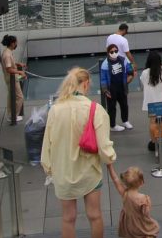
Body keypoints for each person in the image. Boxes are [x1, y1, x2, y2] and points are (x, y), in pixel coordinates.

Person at [41, 67, 117, 238]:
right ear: (86, 83)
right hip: (89, 171)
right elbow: (104, 147)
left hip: (63, 172)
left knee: (68, 218)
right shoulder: (95, 109)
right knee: (95, 215)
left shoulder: (55, 110)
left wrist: (49, 169)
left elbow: (47, 144)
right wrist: (110, 160)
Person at [141, 51, 162, 152]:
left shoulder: (145, 73)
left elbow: (143, 83)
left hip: (151, 102)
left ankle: (153, 142)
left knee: (152, 122)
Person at [113, 166, 160, 238]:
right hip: (140, 227)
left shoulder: (125, 193)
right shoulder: (143, 199)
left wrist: (110, 166)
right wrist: (148, 204)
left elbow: (115, 180)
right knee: (151, 229)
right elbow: (146, 214)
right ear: (141, 182)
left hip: (128, 226)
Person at [100, 43, 134, 131]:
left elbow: (130, 69)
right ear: (108, 53)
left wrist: (130, 76)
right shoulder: (105, 64)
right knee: (112, 107)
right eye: (112, 51)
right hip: (111, 88)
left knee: (124, 105)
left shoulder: (123, 59)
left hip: (122, 86)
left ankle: (125, 121)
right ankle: (112, 125)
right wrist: (105, 90)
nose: (114, 52)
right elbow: (103, 79)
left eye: (116, 51)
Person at [0, 35, 26, 123]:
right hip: (12, 79)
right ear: (12, 43)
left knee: (12, 97)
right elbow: (8, 69)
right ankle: (14, 116)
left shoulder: (7, 51)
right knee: (20, 97)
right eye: (16, 43)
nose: (16, 44)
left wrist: (18, 64)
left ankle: (11, 114)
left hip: (11, 78)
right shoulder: (7, 54)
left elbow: (11, 64)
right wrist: (20, 72)